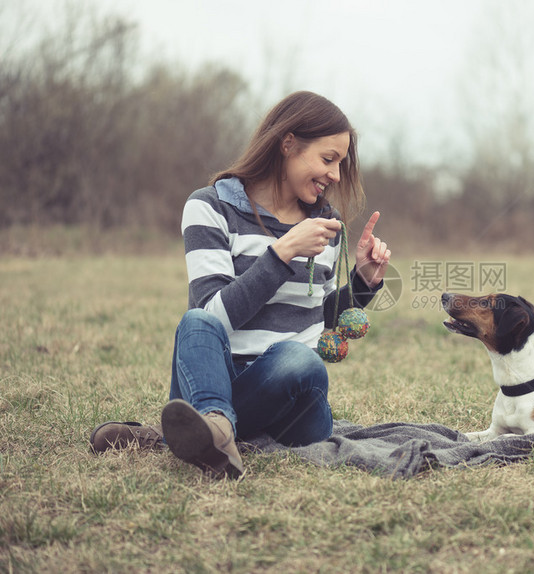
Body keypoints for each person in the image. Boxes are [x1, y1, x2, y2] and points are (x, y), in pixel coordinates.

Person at [90, 91, 391, 479]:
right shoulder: (210, 207)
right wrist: (281, 254)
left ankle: (179, 437)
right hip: (216, 381)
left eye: (340, 162)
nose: (335, 174)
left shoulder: (324, 226)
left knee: (299, 358)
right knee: (196, 322)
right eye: (328, 159)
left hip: (296, 404)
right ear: (288, 145)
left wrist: (364, 280)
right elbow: (214, 313)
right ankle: (217, 429)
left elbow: (320, 316)